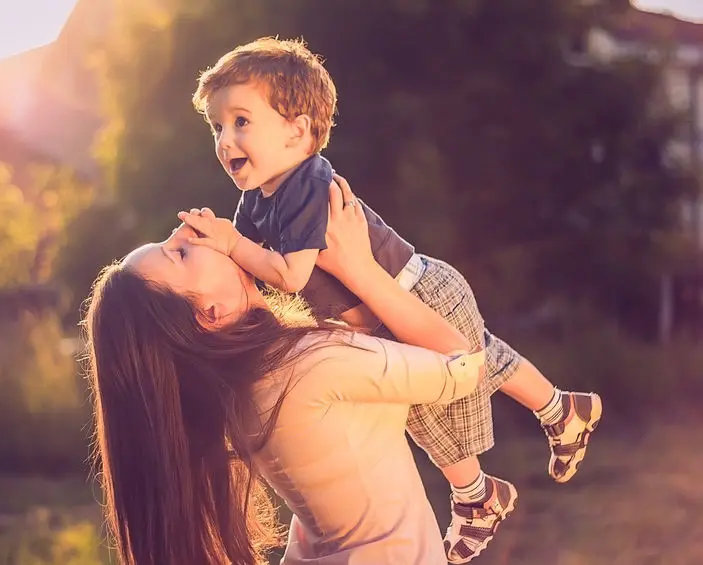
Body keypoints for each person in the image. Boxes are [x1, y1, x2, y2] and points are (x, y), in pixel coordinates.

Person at [186, 37, 603, 563]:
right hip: (387, 308)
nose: (225, 140)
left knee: (436, 402)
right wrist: (210, 250)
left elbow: (290, 276)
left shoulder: (308, 184)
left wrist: (229, 242)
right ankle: (562, 410)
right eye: (217, 127)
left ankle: (479, 496)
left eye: (241, 121)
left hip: (413, 291)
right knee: (477, 362)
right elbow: (252, 272)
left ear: (297, 130)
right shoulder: (255, 203)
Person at [84, 178, 486, 565]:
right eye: (181, 254)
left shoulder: (246, 388)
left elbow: (363, 355)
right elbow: (461, 366)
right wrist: (360, 268)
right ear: (209, 314)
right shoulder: (310, 363)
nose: (188, 231)